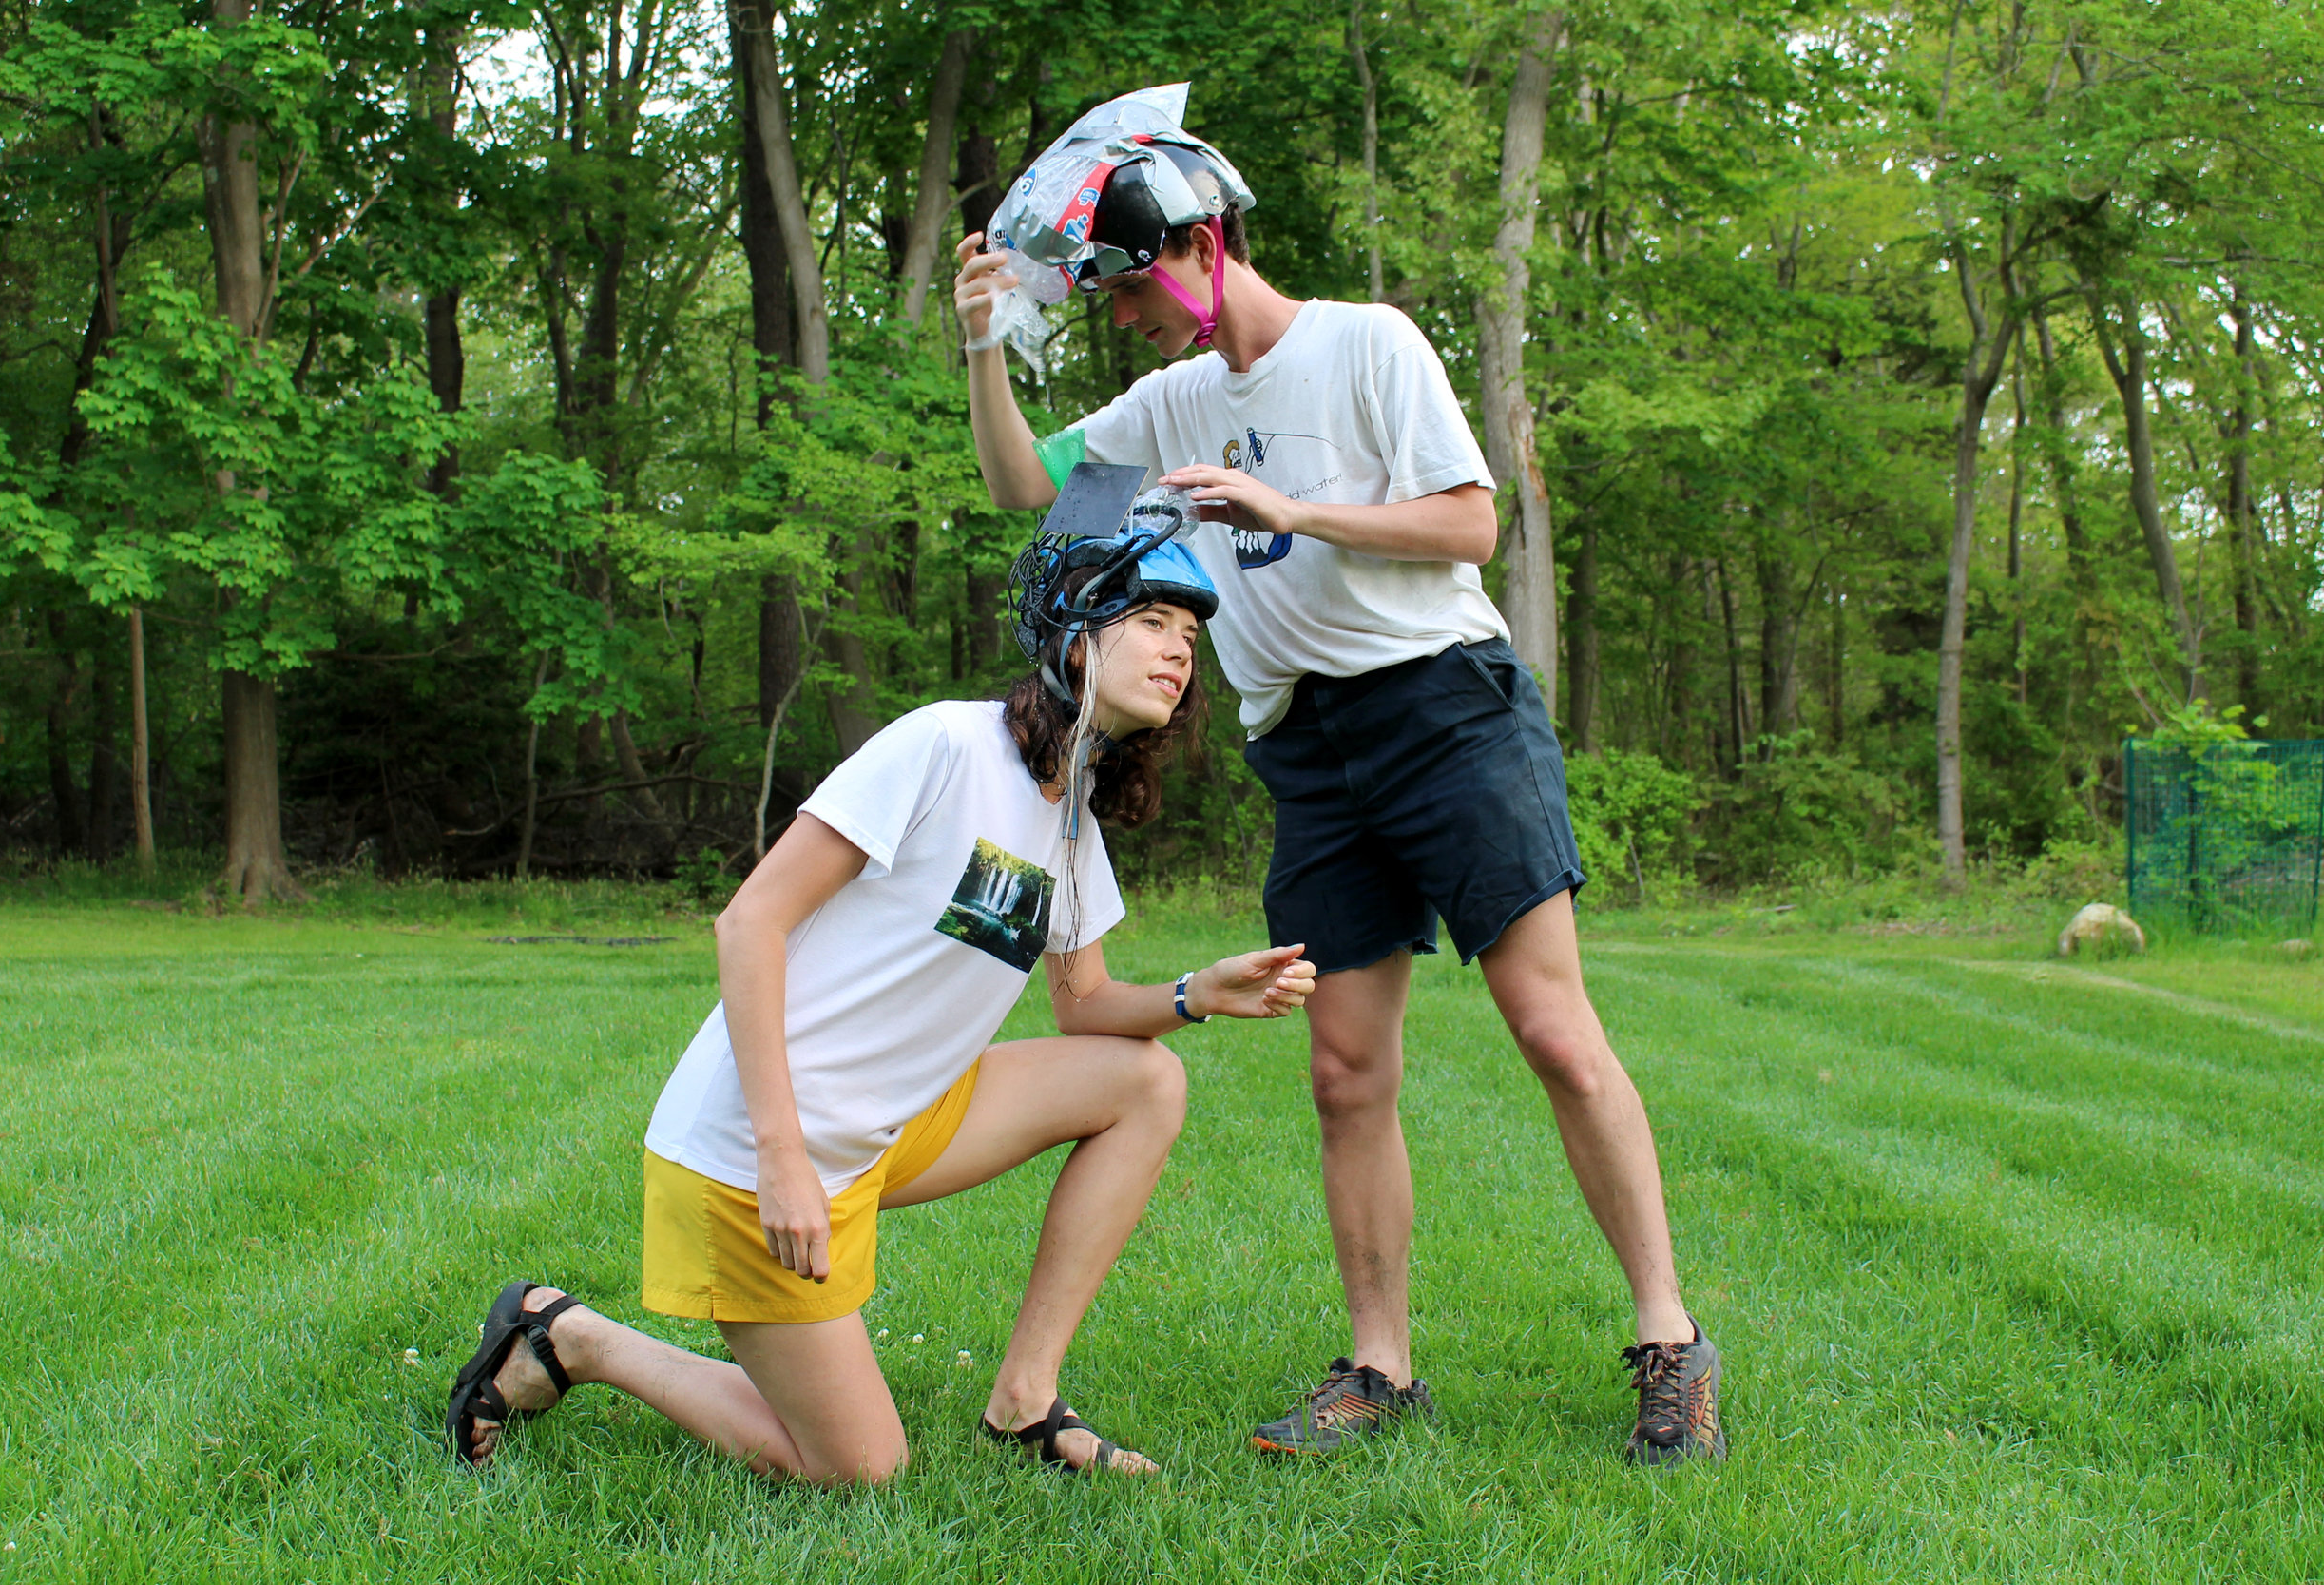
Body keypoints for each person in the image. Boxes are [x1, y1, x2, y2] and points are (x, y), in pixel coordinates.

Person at [952, 85, 1726, 1465]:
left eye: (1128, 289)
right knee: (1346, 1068)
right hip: (1306, 744)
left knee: (1551, 1028)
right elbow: (1025, 484)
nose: (1121, 318)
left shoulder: (1368, 345)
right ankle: (1381, 1366)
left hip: (1447, 713)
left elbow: (1472, 523)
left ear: (1197, 251)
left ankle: (1671, 1340)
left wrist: (1291, 508)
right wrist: (982, 354)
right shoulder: (1172, 395)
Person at [445, 517, 1317, 1484]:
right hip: (757, 1149)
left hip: (892, 1125)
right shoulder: (944, 744)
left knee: (1144, 1080)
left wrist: (1199, 993)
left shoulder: (1071, 825)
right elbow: (750, 923)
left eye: (1189, 639)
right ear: (1075, 631)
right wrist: (781, 1156)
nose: (1175, 650)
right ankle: (570, 1334)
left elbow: (1091, 1006)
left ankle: (1025, 1398)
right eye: (1151, 620)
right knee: (858, 1468)